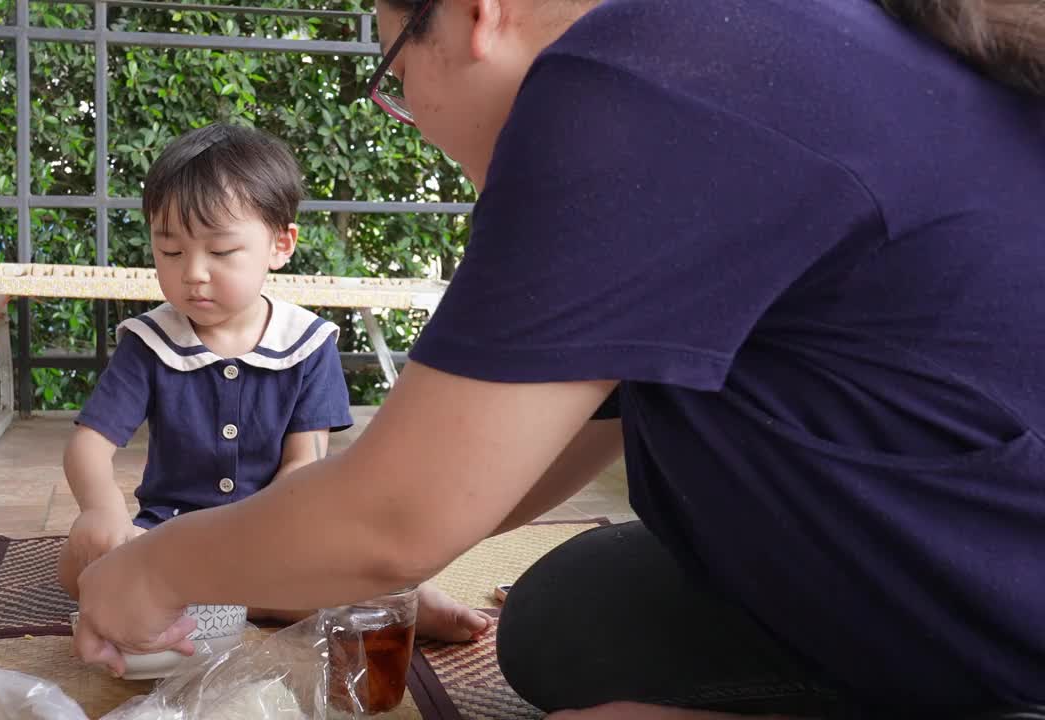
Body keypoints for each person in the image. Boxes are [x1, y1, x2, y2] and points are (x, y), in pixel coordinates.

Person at [71, 1, 1045, 717]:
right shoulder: (720, 39)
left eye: (395, 73)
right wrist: (319, 562)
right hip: (966, 528)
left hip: (999, 581)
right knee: (566, 622)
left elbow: (394, 515)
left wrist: (150, 573)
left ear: (477, 15)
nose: (402, 107)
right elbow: (517, 461)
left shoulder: (624, 89)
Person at [56, 122, 490, 642]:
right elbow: (88, 444)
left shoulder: (307, 344)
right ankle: (263, 603)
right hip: (167, 535)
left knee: (333, 565)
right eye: (170, 252)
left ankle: (398, 602)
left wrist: (255, 547)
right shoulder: (149, 341)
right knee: (80, 559)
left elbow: (303, 468)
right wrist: (102, 511)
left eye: (219, 252)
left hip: (273, 534)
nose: (193, 272)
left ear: (280, 245)